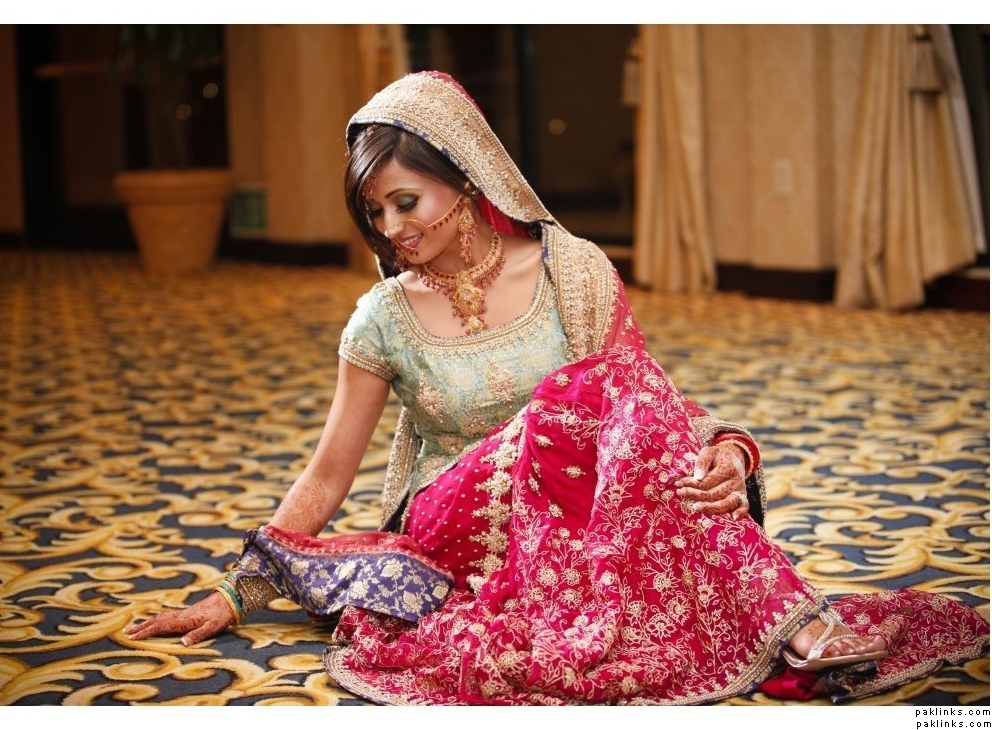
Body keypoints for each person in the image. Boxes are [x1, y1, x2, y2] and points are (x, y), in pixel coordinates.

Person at [125, 71, 988, 705]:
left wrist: (728, 452)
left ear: (465, 177)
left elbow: (645, 402)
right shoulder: (382, 317)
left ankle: (783, 615)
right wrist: (235, 590)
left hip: (578, 521)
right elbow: (327, 473)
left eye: (405, 202)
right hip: (456, 528)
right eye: (375, 213)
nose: (391, 230)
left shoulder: (572, 271)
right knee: (570, 397)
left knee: (612, 385)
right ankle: (795, 623)